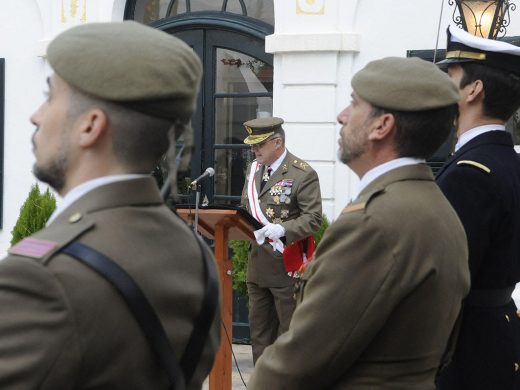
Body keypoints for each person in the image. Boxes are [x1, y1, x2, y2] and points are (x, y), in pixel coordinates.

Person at [0, 21, 220, 389]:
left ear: (90, 126)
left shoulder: (42, 277)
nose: (35, 115)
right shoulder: (195, 255)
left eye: (49, 95)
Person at [247, 57, 470, 389]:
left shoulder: (374, 223)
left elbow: (296, 362)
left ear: (382, 126)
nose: (341, 116)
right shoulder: (434, 206)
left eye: (354, 104)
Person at [435, 25, 520, 390]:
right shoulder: (507, 160)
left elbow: (447, 280)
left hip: (466, 345)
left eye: (451, 76)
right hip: (499, 326)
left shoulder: (470, 172)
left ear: (474, 89)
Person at [240, 116, 322, 364]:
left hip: (288, 267)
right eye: (252, 146)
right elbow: (245, 207)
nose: (254, 151)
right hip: (258, 267)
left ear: (277, 142)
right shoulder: (254, 170)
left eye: (259, 145)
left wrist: (283, 229)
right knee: (260, 336)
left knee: (289, 337)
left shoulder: (302, 173)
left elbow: (313, 219)